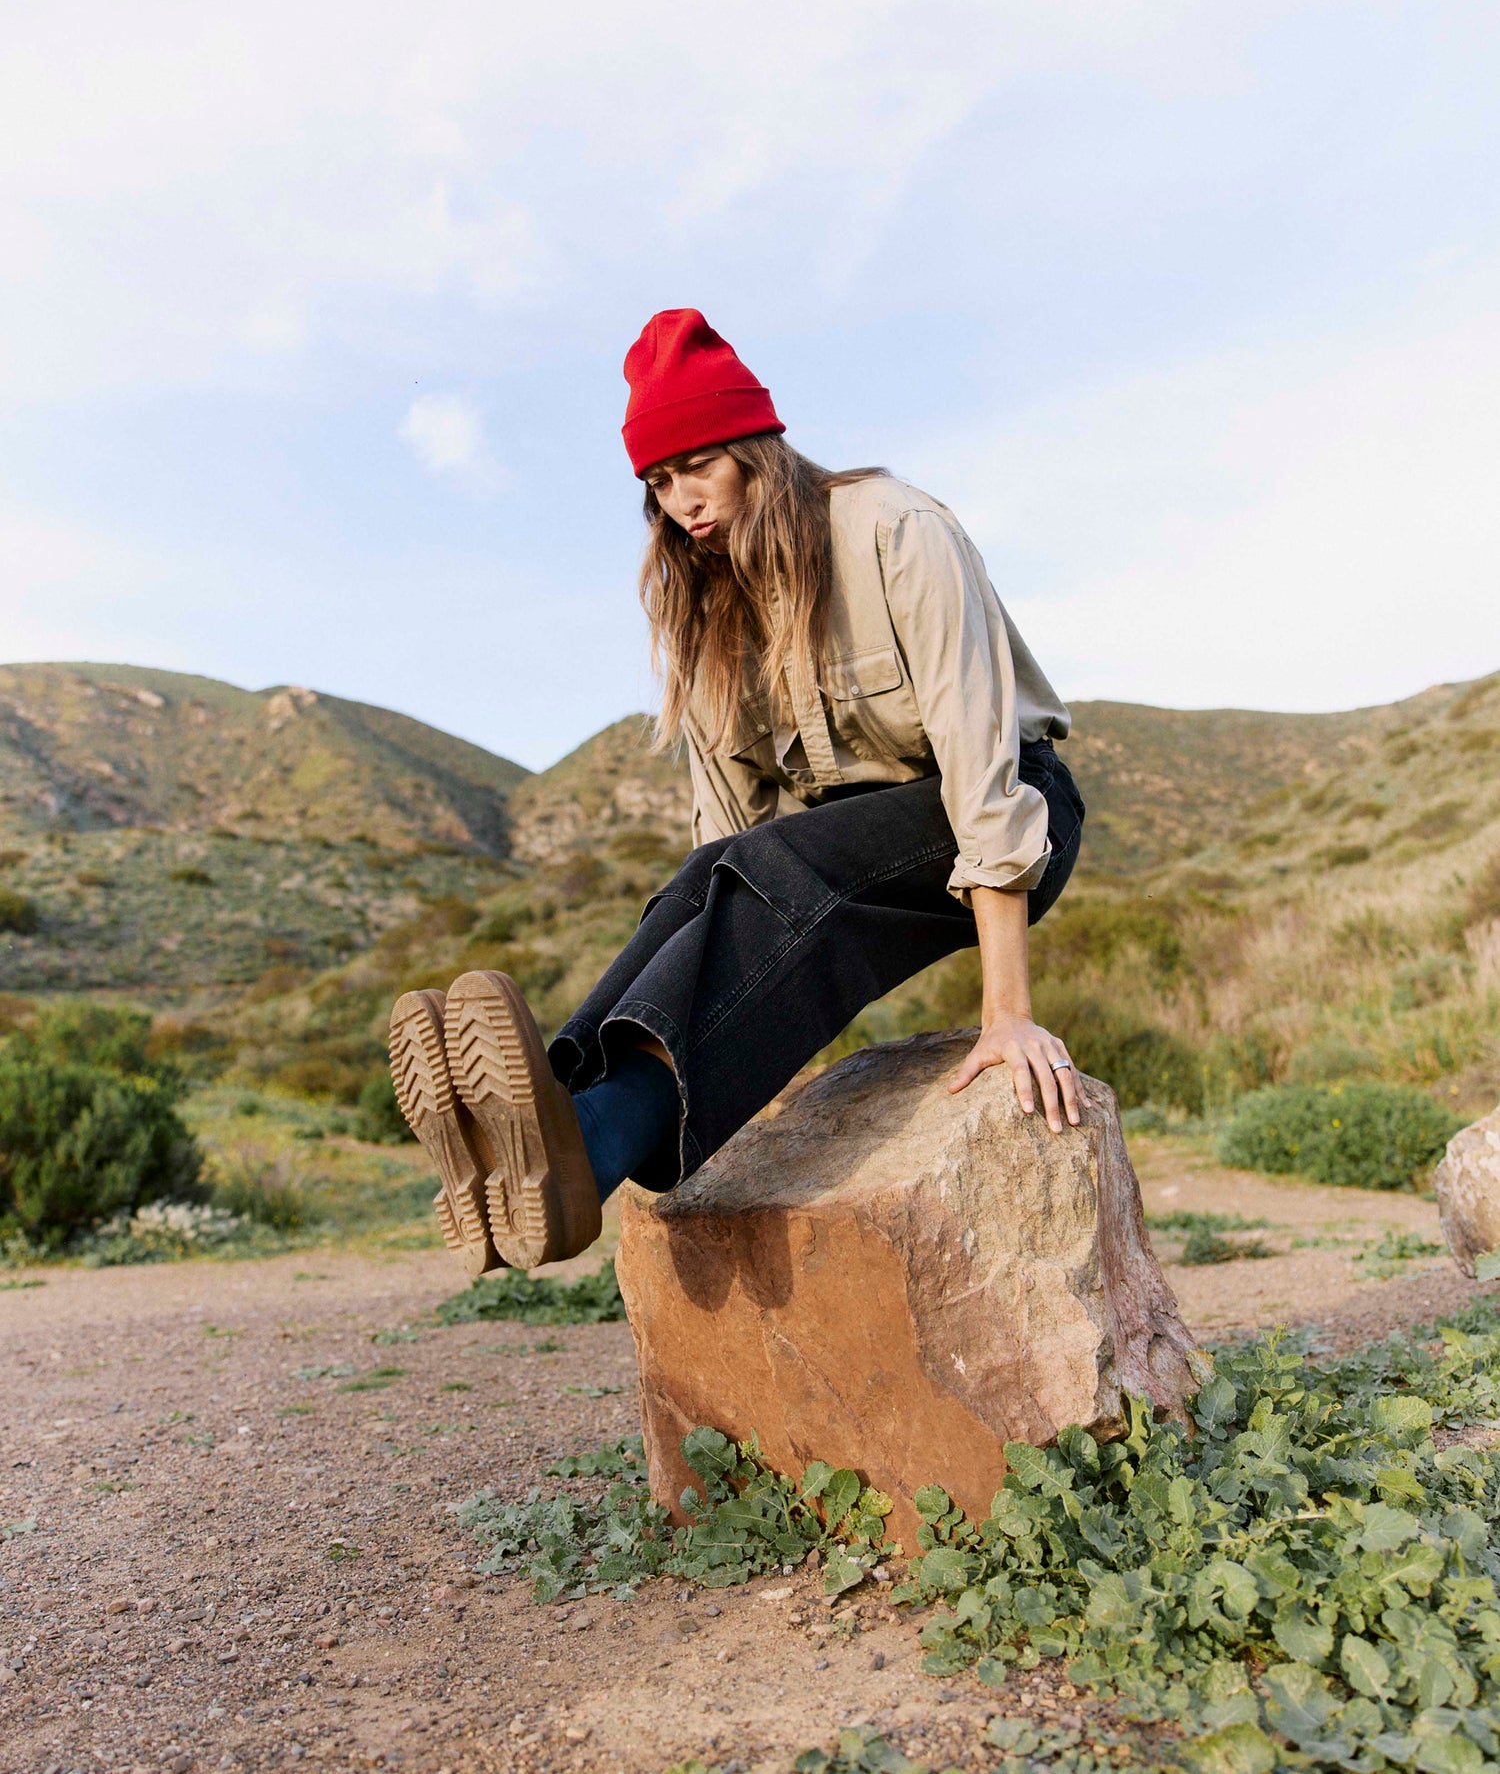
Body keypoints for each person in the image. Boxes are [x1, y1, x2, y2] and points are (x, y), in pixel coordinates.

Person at [389, 309, 1086, 1277]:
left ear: (757, 446)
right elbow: (722, 855)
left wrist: (1005, 1010)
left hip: (1015, 810)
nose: (681, 503)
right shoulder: (709, 611)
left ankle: (586, 1143)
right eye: (659, 484)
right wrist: (752, 1045)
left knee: (773, 862)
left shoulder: (895, 532)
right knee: (719, 871)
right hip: (839, 849)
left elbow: (984, 781)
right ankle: (550, 1116)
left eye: (699, 468)